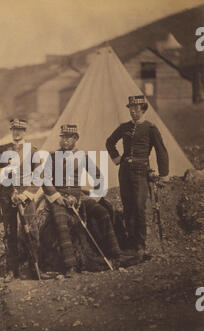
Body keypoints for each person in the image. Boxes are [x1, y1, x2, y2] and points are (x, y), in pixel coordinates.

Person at [42, 124, 133, 277]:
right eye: (62, 137)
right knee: (60, 220)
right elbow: (44, 179)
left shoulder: (82, 156)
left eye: (68, 137)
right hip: (59, 197)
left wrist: (94, 197)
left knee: (102, 212)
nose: (64, 141)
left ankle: (116, 256)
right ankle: (70, 265)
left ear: (75, 139)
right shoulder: (52, 157)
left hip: (79, 196)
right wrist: (58, 198)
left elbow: (98, 177)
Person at [106, 95, 169, 259]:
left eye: (136, 109)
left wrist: (164, 175)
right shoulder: (124, 127)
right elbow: (109, 142)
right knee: (128, 207)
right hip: (125, 171)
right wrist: (117, 158)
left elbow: (161, 151)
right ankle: (131, 244)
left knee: (139, 207)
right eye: (131, 109)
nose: (133, 112)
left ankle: (141, 245)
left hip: (141, 171)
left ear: (143, 110)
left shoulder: (150, 128)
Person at [0, 118, 39, 282]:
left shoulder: (33, 151)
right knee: (10, 232)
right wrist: (4, 170)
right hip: (7, 194)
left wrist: (26, 195)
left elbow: (39, 177)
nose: (17, 132)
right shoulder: (3, 150)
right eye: (14, 129)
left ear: (25, 132)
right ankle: (12, 270)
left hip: (25, 195)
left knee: (31, 231)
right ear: (11, 131)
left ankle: (34, 267)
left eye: (20, 130)